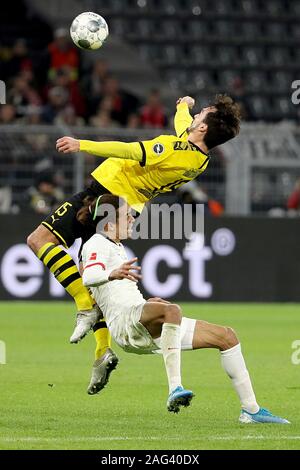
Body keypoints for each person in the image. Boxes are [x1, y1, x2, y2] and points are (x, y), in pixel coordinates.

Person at [27, 94, 241, 393]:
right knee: (89, 276)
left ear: (204, 128)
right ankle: (102, 350)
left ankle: (85, 309)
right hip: (123, 207)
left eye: (205, 112)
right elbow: (184, 129)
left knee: (40, 240)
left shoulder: (170, 149)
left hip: (109, 197)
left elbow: (128, 149)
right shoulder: (197, 156)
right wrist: (183, 107)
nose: (201, 111)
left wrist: (81, 144)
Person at [81, 194, 289, 423]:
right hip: (125, 323)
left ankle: (251, 410)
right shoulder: (96, 244)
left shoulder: (115, 245)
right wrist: (112, 273)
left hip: (138, 318)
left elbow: (117, 293)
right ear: (109, 223)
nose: (132, 218)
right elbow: (89, 275)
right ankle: (175, 388)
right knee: (173, 311)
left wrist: (150, 303)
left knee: (227, 337)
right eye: (126, 215)